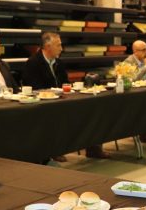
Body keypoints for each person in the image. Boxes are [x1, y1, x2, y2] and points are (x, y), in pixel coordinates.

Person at [22, 32, 108, 160]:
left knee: (91, 109)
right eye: (58, 45)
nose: (61, 49)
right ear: (48, 46)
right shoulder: (33, 63)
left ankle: (93, 147)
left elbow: (65, 83)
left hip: (61, 99)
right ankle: (54, 150)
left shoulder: (59, 63)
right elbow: (34, 87)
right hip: (44, 104)